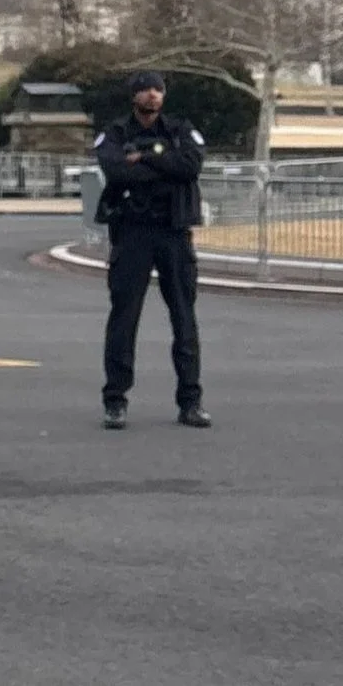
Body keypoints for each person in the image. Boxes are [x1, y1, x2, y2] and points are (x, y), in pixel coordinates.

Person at [94, 69, 209, 430]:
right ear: (134, 96)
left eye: (157, 89)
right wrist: (163, 165)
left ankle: (190, 401)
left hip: (173, 232)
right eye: (145, 90)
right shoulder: (116, 133)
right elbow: (115, 170)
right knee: (124, 319)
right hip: (132, 233)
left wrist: (143, 159)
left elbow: (190, 166)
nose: (152, 96)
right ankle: (115, 401)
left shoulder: (180, 129)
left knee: (184, 319)